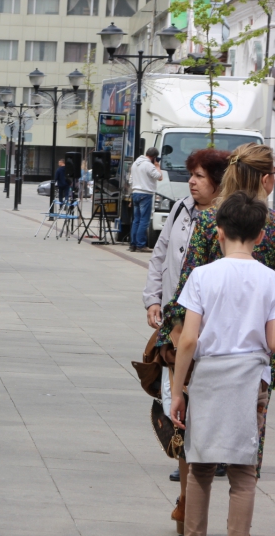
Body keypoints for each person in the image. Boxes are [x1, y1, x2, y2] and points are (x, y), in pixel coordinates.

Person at [158, 143, 275, 533]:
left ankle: (192, 528)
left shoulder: (208, 225)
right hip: (253, 376)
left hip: (207, 372)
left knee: (200, 465)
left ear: (221, 234)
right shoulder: (270, 257)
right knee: (245, 470)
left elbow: (186, 331)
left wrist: (178, 385)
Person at [141, 149, 229, 521]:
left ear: (218, 183)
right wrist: (152, 299)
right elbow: (160, 255)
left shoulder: (227, 220)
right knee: (175, 398)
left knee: (196, 399)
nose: (191, 181)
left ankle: (197, 473)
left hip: (208, 329)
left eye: (200, 176)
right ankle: (185, 469)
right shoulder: (180, 209)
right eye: (191, 174)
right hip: (175, 323)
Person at [129, 147, 163, 252]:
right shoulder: (148, 165)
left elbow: (130, 180)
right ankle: (141, 245)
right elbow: (159, 177)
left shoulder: (135, 164)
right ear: (154, 157)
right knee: (144, 221)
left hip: (135, 192)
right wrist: (157, 166)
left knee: (136, 220)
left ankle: (133, 244)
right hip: (146, 193)